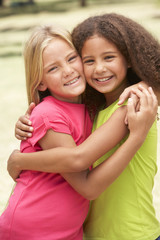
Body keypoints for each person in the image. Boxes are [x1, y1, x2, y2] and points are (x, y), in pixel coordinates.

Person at [10, 13, 160, 240]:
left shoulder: (133, 104)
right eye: (89, 60)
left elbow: (79, 163)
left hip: (133, 234)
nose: (99, 68)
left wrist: (19, 160)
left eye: (109, 57)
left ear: (129, 58)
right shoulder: (93, 110)